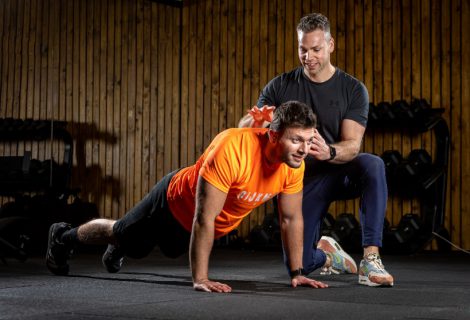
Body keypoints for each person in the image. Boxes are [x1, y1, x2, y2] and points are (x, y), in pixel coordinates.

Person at [46, 100, 330, 293]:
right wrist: (201, 279)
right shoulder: (232, 148)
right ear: (273, 135)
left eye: (308, 140)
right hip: (171, 202)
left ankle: (124, 244)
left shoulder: (293, 165)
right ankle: (62, 236)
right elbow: (204, 217)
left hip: (189, 226)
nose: (304, 149)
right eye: (296, 140)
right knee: (122, 233)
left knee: (160, 249)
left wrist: (297, 272)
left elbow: (291, 219)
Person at [239, 13, 394, 287]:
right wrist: (257, 120)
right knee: (299, 266)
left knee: (373, 165)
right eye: (303, 49)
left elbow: (352, 145)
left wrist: (329, 152)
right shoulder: (280, 86)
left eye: (316, 49)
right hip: (300, 183)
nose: (308, 57)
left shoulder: (353, 89)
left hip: (339, 172)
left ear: (330, 45)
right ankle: (327, 256)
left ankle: (370, 258)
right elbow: (246, 127)